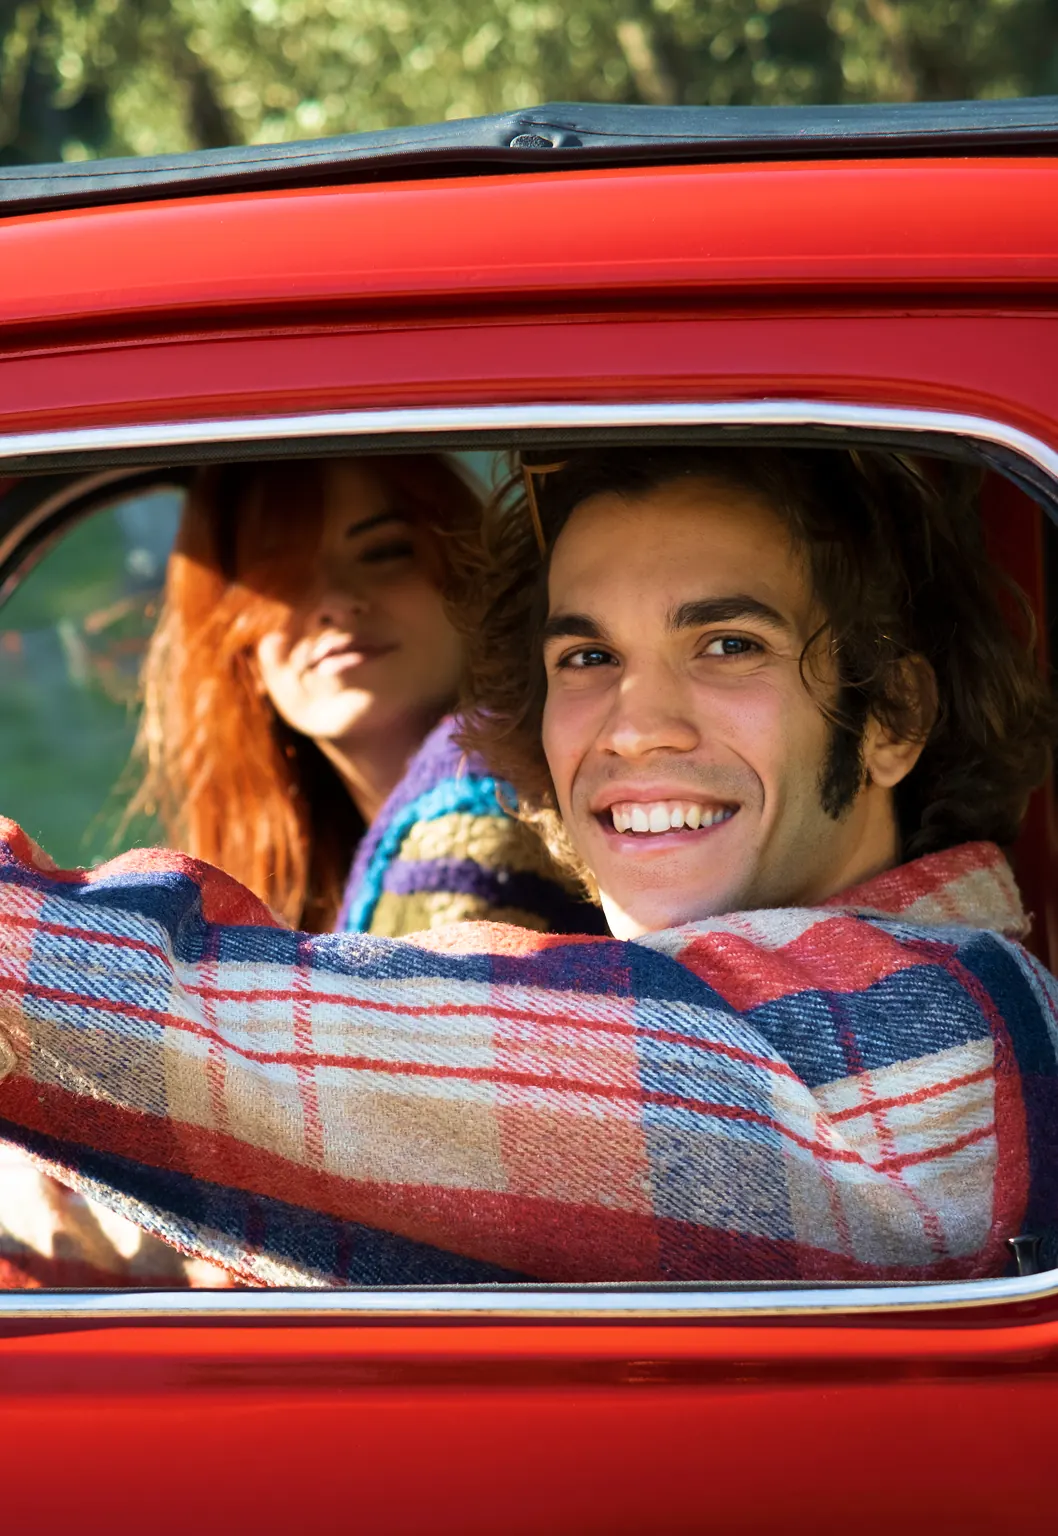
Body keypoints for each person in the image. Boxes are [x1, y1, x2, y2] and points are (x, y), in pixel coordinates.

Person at [0, 444, 1056, 1286]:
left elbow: (278, 1059)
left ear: (893, 717)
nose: (634, 727)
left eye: (727, 644)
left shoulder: (931, 1049)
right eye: (587, 658)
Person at [0, 452, 595, 1291]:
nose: (335, 601)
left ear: (476, 576)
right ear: (236, 638)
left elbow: (393, 1166)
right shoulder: (363, 851)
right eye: (281, 576)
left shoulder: (479, 816)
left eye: (384, 552)